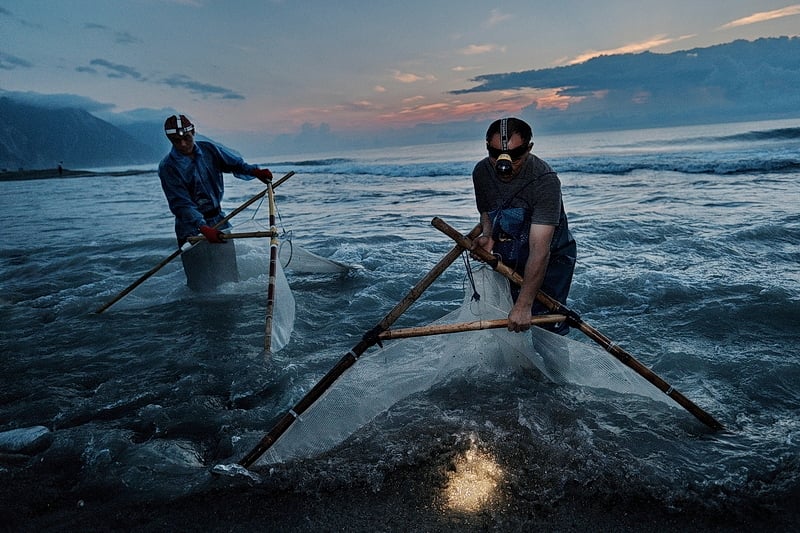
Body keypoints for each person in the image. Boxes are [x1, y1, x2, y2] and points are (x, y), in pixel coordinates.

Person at [471, 117, 577, 335]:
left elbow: (540, 250)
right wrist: (489, 235)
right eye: (495, 154)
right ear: (487, 147)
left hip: (550, 258)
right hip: (510, 251)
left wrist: (524, 304)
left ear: (529, 148)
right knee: (505, 322)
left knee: (546, 329)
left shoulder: (545, 180)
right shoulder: (481, 172)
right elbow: (487, 211)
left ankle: (553, 369)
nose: (504, 163)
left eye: (515, 155)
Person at [158, 113, 274, 290]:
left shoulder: (209, 150)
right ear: (170, 140)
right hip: (191, 228)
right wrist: (202, 227)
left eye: (186, 138)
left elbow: (234, 164)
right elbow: (181, 204)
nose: (183, 144)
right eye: (176, 141)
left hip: (218, 221)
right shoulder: (168, 167)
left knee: (230, 280)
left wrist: (254, 172)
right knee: (200, 286)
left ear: (194, 132)